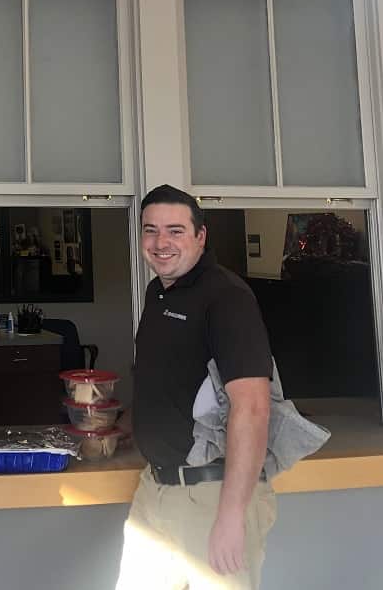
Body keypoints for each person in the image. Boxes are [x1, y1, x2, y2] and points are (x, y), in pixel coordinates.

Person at [115, 185, 276, 590]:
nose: (160, 243)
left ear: (200, 236)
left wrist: (232, 514)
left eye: (175, 231)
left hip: (211, 494)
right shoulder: (158, 293)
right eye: (150, 230)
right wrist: (124, 426)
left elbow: (253, 408)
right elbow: (170, 383)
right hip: (155, 491)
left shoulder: (226, 298)